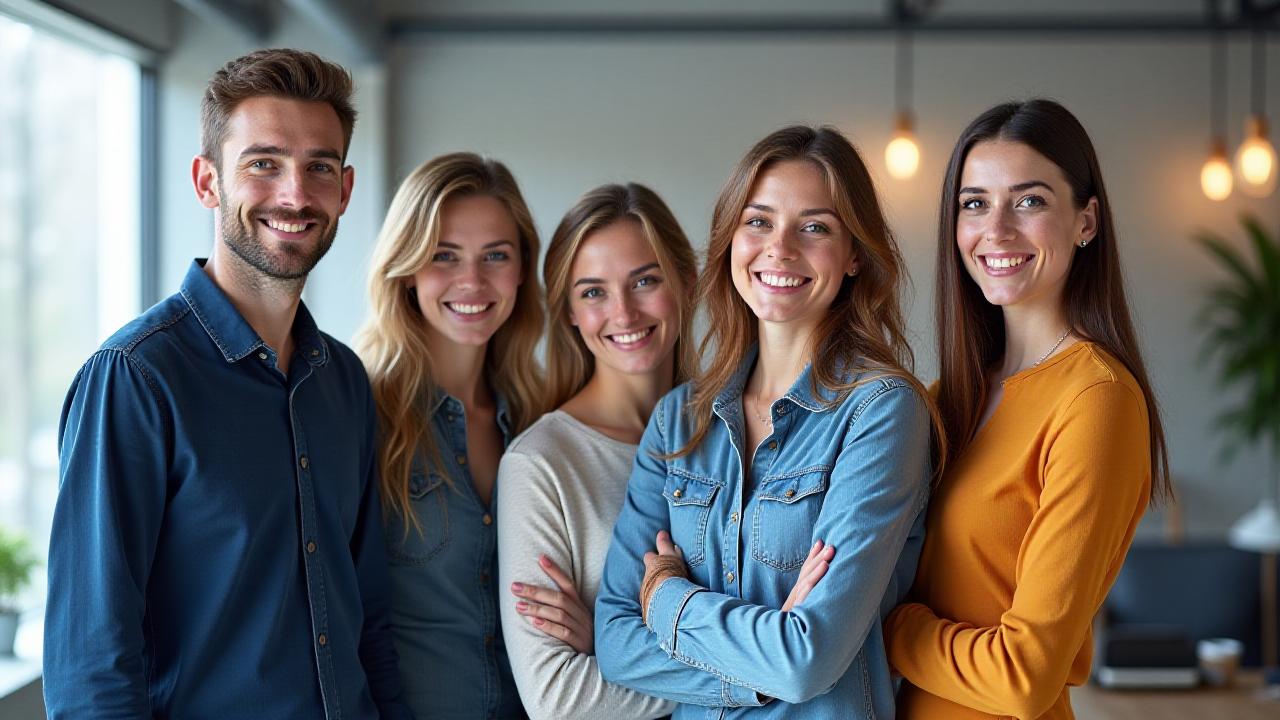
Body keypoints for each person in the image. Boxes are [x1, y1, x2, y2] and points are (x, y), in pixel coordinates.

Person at [44, 49, 411, 719]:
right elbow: (91, 665)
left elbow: (369, 620)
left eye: (319, 167)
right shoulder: (134, 378)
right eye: (263, 164)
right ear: (207, 181)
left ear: (345, 189)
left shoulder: (343, 381)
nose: (295, 194)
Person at [594, 125, 937, 718]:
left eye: (815, 227)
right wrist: (764, 666)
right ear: (731, 239)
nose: (780, 249)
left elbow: (808, 659)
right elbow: (617, 645)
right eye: (758, 221)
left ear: (855, 254)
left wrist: (667, 598)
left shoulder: (882, 411)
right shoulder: (678, 420)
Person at [884, 99, 1171, 720]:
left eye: (1029, 201)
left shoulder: (1096, 401)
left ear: (1086, 221)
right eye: (974, 204)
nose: (997, 230)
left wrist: (886, 628)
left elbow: (1025, 677)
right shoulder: (947, 397)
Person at [495, 183, 695, 720]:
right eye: (593, 292)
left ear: (687, 282)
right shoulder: (540, 464)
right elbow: (557, 698)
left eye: (645, 281)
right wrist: (758, 671)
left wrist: (616, 650)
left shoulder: (738, 433)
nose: (623, 313)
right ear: (568, 311)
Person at [355, 152, 544, 719]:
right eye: (444, 255)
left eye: (496, 256)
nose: (473, 281)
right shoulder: (358, 411)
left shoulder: (541, 419)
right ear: (406, 267)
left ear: (521, 269)